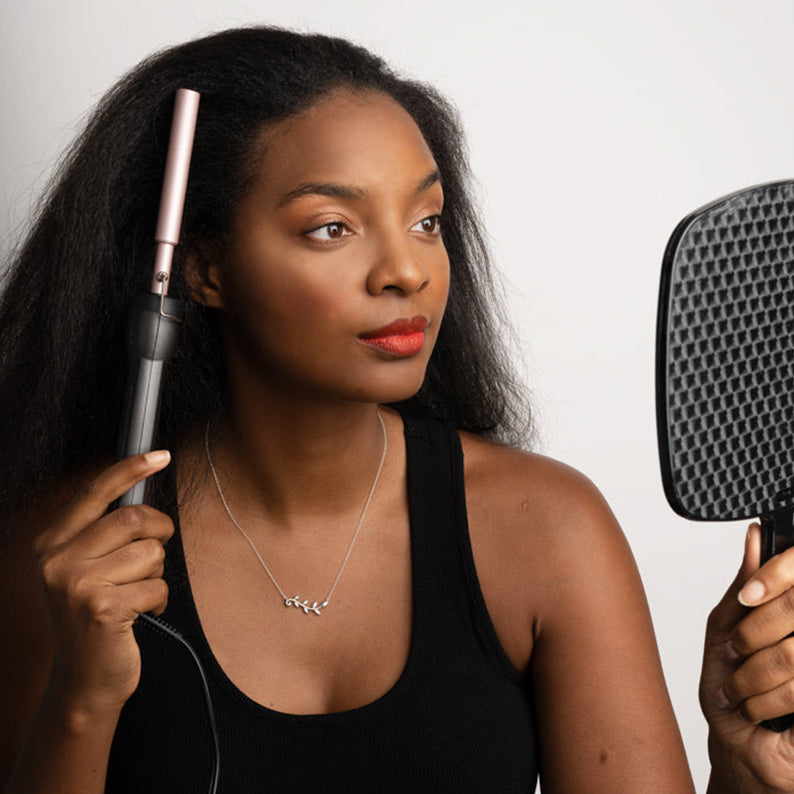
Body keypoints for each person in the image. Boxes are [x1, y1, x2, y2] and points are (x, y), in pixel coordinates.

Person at [0, 25, 792, 794]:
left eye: (426, 222)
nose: (406, 271)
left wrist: (740, 767)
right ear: (202, 269)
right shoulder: (73, 560)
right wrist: (82, 697)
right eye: (331, 228)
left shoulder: (546, 531)